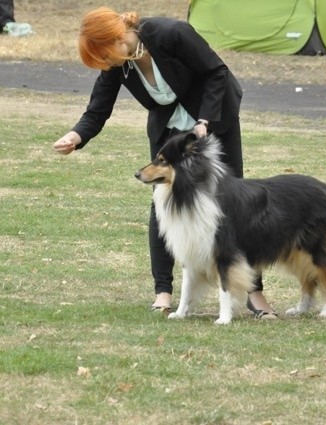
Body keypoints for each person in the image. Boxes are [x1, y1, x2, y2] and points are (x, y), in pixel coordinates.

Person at [53, 7, 277, 319]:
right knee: (162, 202)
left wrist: (204, 121)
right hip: (169, 129)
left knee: (233, 202)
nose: (104, 66)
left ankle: (254, 293)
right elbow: (98, 108)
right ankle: (164, 291)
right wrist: (76, 137)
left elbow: (216, 71)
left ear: (118, 40)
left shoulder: (170, 33)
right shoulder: (118, 64)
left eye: (104, 57)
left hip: (212, 117)